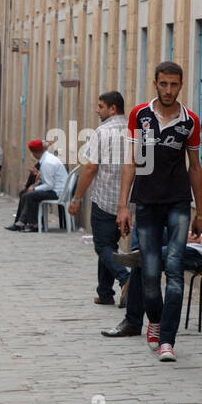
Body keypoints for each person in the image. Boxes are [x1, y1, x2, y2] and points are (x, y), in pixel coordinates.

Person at [105, 149, 202, 335]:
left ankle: (133, 321)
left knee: (145, 259)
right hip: (195, 241)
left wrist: (199, 238)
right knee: (145, 228)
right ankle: (139, 253)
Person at [114, 61, 202, 363]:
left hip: (178, 203)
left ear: (181, 86)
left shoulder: (189, 121)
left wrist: (201, 211)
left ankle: (168, 340)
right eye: (163, 84)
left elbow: (195, 167)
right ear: (155, 83)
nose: (168, 90)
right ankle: (154, 319)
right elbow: (131, 162)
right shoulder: (140, 116)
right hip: (147, 203)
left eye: (174, 85)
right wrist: (123, 205)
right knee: (151, 275)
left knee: (176, 271)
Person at [70, 92, 129, 304]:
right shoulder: (135, 130)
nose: (97, 110)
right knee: (109, 245)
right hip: (127, 201)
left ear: (112, 109)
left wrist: (77, 198)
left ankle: (125, 278)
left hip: (105, 198)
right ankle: (105, 293)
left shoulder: (103, 131)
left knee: (101, 246)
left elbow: (91, 167)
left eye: (100, 106)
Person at [6, 139, 67, 231]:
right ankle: (19, 222)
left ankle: (34, 224)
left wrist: (34, 189)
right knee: (24, 193)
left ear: (33, 153)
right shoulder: (46, 159)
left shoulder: (47, 163)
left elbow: (49, 185)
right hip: (56, 189)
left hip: (57, 192)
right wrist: (35, 184)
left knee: (30, 195)